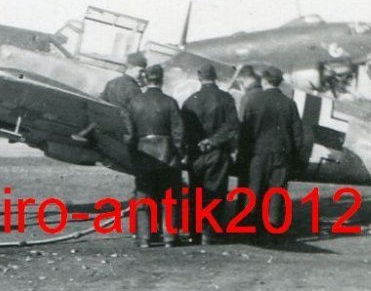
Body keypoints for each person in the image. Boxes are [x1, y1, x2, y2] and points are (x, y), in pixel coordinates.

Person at [237, 65, 304, 241]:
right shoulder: (289, 104)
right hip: (281, 155)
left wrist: (242, 155)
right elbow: (298, 135)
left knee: (254, 191)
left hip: (257, 155)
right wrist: (293, 156)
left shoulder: (253, 102)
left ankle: (251, 229)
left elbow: (245, 133)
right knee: (276, 192)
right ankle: (273, 230)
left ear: (264, 81)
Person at [124, 64, 185, 248]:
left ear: (145, 79)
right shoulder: (170, 102)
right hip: (168, 154)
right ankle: (169, 237)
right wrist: (178, 153)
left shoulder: (135, 102)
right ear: (161, 79)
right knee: (169, 197)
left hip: (143, 154)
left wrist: (133, 154)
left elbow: (129, 134)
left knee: (144, 196)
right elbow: (178, 132)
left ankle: (145, 238)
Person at [181, 63, 239, 244]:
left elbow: (184, 129)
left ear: (199, 77)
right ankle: (210, 233)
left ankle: (194, 232)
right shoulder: (226, 99)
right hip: (218, 153)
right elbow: (232, 126)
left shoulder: (190, 101)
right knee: (216, 193)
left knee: (196, 192)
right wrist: (212, 141)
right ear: (215, 77)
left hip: (196, 154)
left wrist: (197, 143)